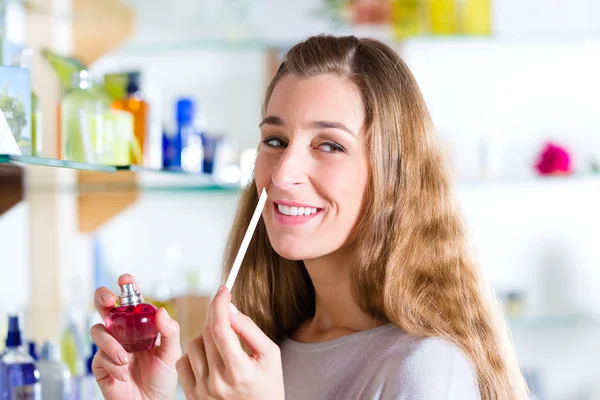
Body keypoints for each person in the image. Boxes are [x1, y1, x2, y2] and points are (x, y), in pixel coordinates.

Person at [90, 35, 529, 400]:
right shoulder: (261, 355)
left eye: (329, 145)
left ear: (393, 175)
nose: (283, 173)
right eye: (275, 141)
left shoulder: (426, 370)